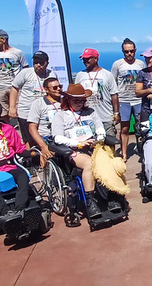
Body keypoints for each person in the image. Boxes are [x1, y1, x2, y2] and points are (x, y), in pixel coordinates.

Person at [51, 84, 108, 218]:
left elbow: (100, 130)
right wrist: (78, 143)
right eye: (76, 101)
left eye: (82, 100)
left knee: (111, 161)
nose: (80, 103)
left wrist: (98, 139)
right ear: (68, 100)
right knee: (90, 164)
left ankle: (112, 196)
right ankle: (90, 201)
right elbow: (57, 137)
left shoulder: (91, 112)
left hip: (93, 147)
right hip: (73, 150)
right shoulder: (61, 116)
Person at [10, 51, 57, 142]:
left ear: (47, 63)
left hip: (45, 113)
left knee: (45, 137)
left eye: (41, 63)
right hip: (26, 112)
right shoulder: (25, 73)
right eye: (35, 62)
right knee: (28, 140)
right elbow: (14, 88)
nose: (38, 65)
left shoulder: (52, 74)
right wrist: (12, 107)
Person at [111, 39, 145, 161]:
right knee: (124, 128)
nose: (129, 54)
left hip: (138, 100)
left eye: (131, 51)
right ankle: (124, 153)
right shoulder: (117, 64)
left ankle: (142, 151)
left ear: (135, 51)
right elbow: (112, 81)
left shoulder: (141, 64)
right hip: (124, 100)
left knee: (140, 127)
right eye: (126, 52)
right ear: (123, 52)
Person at [74, 48, 120, 138]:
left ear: (96, 59)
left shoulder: (107, 74)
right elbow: (75, 95)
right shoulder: (80, 75)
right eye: (83, 59)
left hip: (105, 116)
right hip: (86, 117)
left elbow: (114, 94)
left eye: (88, 58)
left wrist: (116, 113)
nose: (85, 61)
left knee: (109, 144)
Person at [0, 29, 28, 122]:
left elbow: (26, 68)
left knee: (19, 111)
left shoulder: (17, 52)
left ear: (3, 40)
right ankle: (6, 133)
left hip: (15, 87)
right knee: (2, 114)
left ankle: (22, 133)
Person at [27, 77, 63, 167]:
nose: (59, 89)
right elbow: (32, 127)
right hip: (48, 137)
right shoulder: (38, 104)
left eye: (60, 86)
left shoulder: (65, 102)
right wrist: (43, 146)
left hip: (64, 135)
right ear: (46, 89)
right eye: (55, 88)